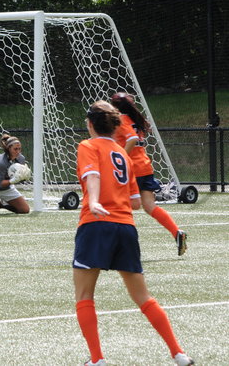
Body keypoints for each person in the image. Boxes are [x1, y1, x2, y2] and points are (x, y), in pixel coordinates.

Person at [74, 101, 193, 366]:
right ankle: (178, 353)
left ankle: (97, 360)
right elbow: (136, 202)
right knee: (143, 297)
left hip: (96, 224)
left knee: (84, 296)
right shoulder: (124, 155)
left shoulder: (87, 146)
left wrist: (95, 201)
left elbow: (93, 176)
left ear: (90, 124)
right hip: (126, 228)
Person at [110, 92, 187, 256]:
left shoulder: (121, 120)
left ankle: (122, 247)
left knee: (120, 207)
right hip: (145, 167)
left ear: (115, 107)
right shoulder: (135, 120)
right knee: (149, 206)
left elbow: (131, 139)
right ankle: (176, 232)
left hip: (132, 170)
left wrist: (122, 158)